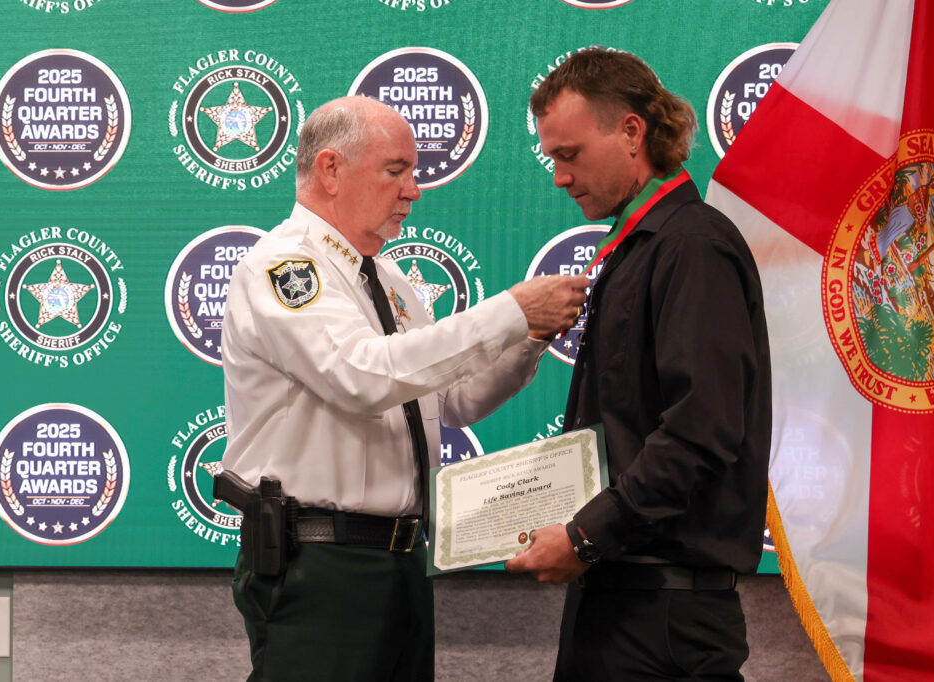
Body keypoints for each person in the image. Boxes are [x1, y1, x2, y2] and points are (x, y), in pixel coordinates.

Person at [220, 95, 589, 682]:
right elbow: (361, 377)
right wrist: (510, 311)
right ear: (331, 169)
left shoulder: (386, 279)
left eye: (413, 172)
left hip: (399, 560)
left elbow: (452, 402)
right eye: (396, 170)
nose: (414, 189)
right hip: (321, 563)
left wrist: (531, 334)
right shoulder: (284, 266)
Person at [505, 47, 772, 681]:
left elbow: (701, 428)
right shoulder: (642, 247)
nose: (558, 177)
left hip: (664, 615)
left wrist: (584, 535)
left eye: (567, 155)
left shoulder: (692, 245)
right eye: (551, 159)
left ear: (632, 131)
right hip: (624, 594)